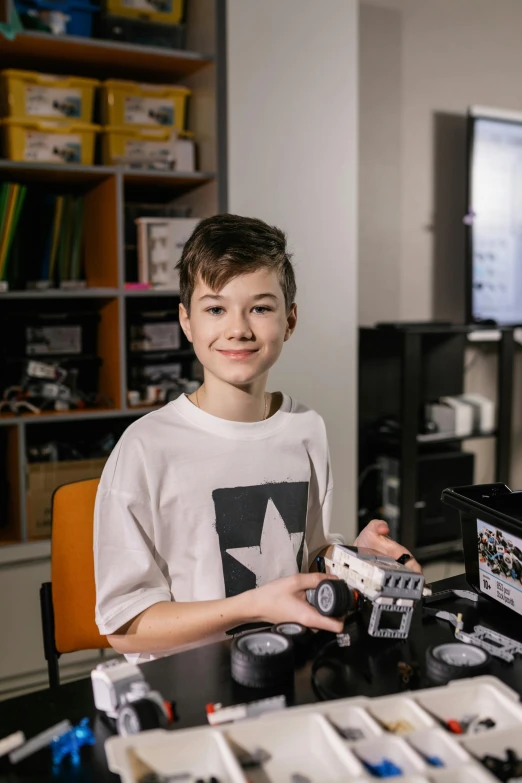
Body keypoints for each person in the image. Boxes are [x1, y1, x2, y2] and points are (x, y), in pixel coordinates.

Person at [94, 214, 420, 663]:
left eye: (260, 308)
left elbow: (305, 557)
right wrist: (248, 608)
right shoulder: (146, 448)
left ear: (290, 320)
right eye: (215, 308)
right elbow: (124, 627)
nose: (238, 329)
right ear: (187, 322)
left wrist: (353, 559)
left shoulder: (307, 427)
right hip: (192, 678)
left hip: (291, 659)